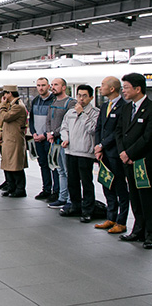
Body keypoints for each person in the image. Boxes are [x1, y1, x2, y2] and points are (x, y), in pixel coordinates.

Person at [115, 73, 152, 249]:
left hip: (143, 162)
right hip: (128, 161)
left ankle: (150, 234)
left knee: (147, 198)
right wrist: (123, 152)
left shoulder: (150, 108)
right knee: (135, 197)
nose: (124, 91)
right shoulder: (127, 108)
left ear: (138, 89)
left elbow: (148, 137)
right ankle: (137, 230)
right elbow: (119, 132)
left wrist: (129, 153)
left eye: (126, 87)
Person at [59, 84, 99, 221]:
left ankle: (88, 210)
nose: (81, 99)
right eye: (79, 95)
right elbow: (64, 127)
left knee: (86, 182)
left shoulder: (95, 112)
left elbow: (92, 129)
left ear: (91, 97)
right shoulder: (70, 112)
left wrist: (82, 113)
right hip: (70, 151)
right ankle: (75, 206)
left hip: (85, 153)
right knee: (72, 181)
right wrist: (65, 139)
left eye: (84, 96)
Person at [94, 76, 128, 234]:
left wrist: (102, 145)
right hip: (104, 154)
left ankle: (122, 221)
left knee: (120, 187)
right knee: (107, 185)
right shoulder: (104, 106)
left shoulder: (124, 107)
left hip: (115, 153)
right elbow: (99, 127)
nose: (100, 88)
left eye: (102, 85)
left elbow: (117, 132)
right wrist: (97, 145)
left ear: (112, 88)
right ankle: (111, 217)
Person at [46, 78, 76, 209]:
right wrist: (48, 133)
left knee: (68, 171)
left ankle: (70, 199)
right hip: (55, 142)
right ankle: (62, 198)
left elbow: (67, 123)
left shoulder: (70, 103)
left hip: (65, 142)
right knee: (60, 171)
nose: (53, 87)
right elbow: (48, 120)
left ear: (64, 87)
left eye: (56, 85)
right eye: (52, 85)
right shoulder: (53, 102)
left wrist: (53, 133)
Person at [29, 77, 59, 201]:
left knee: (53, 165)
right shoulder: (35, 100)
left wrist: (46, 134)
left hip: (50, 139)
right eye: (38, 85)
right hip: (38, 139)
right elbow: (31, 119)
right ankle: (46, 189)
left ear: (48, 87)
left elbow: (56, 121)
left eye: (43, 85)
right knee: (43, 164)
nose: (40, 88)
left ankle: (56, 191)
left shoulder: (54, 101)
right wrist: (34, 133)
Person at [0, 85, 28, 197]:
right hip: (8, 138)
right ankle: (11, 187)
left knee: (15, 165)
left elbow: (5, 117)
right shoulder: (11, 105)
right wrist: (0, 134)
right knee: (8, 165)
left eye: (5, 93)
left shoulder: (17, 106)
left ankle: (20, 189)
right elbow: (3, 122)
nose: (3, 96)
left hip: (14, 140)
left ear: (10, 93)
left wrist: (2, 106)